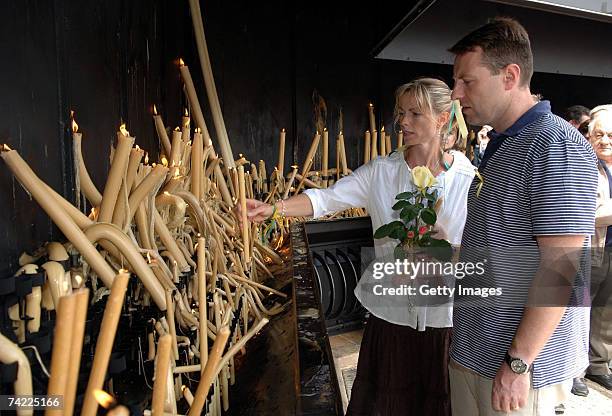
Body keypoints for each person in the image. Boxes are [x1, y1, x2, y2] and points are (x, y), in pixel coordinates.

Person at [239, 78, 475, 415]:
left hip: (443, 320)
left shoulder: (468, 180)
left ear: (441, 119)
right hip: (389, 316)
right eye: (401, 113)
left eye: (414, 114)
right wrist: (274, 209)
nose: (403, 122)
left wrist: (447, 248)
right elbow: (326, 199)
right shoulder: (381, 172)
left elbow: (478, 252)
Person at [448, 17, 598, 415]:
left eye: (467, 81)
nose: (455, 93)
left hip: (517, 373)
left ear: (510, 75)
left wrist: (518, 362)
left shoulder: (555, 146)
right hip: (476, 351)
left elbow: (561, 266)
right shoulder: (502, 144)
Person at [585, 104, 612, 391]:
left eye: (611, 135)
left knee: (607, 311)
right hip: (592, 248)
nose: (605, 140)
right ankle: (575, 369)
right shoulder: (584, 166)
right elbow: (585, 213)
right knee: (580, 309)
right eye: (600, 134)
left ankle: (598, 365)